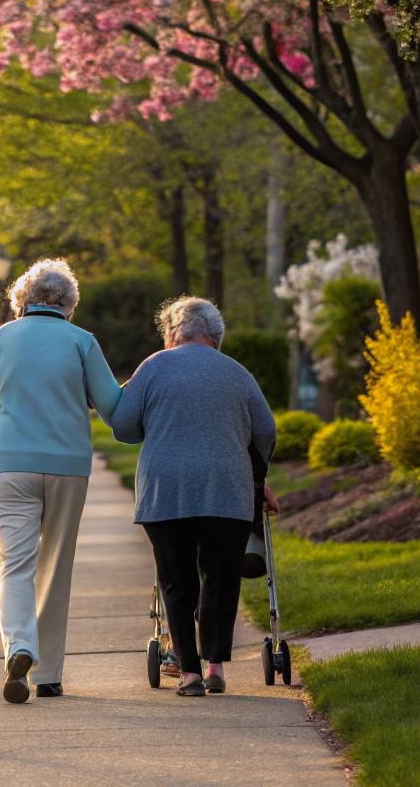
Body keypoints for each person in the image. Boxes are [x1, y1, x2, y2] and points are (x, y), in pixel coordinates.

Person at [0, 258, 122, 703]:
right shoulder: (82, 341)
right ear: (69, 303)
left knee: (13, 566)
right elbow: (114, 408)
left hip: (7, 465)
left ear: (21, 300)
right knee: (55, 566)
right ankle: (48, 674)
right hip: (67, 466)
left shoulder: (0, 338)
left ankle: (20, 646)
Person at [112, 296, 279, 696]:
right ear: (217, 337)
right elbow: (267, 430)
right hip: (228, 488)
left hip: (164, 490)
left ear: (172, 334)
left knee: (176, 580)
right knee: (220, 579)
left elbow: (123, 427)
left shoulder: (152, 366)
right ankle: (216, 667)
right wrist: (257, 478)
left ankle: (188, 674)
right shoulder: (238, 373)